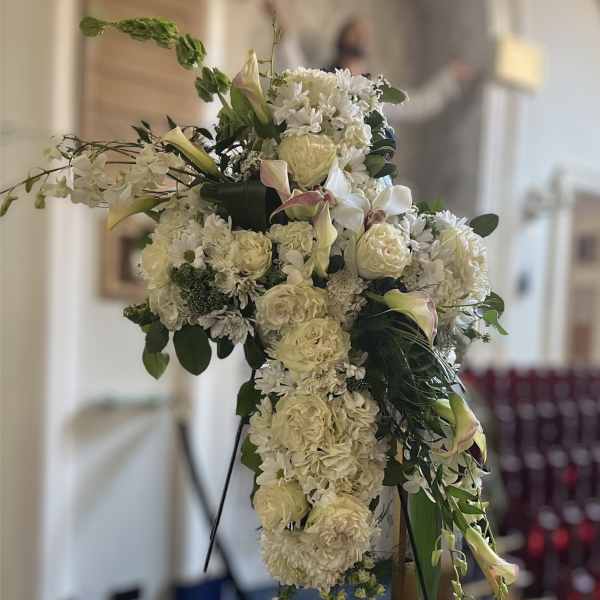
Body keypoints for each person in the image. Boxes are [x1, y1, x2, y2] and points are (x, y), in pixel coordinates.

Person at [263, 1, 476, 123]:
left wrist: (449, 77)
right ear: (342, 38)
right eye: (355, 32)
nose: (361, 37)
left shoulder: (375, 93)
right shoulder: (321, 80)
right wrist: (279, 22)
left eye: (364, 34)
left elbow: (417, 104)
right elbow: (293, 68)